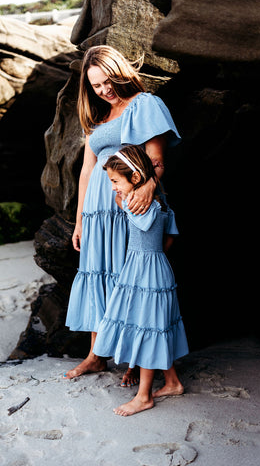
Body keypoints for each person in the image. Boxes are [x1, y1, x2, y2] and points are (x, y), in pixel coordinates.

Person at [64, 45, 181, 384]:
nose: (104, 90)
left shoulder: (144, 105)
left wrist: (145, 190)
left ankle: (132, 359)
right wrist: (80, 219)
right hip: (98, 215)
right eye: (96, 86)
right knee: (97, 273)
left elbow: (156, 160)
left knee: (125, 277)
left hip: (128, 209)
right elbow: (87, 171)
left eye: (108, 80)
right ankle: (95, 356)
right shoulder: (98, 120)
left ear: (120, 71)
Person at [93, 145, 189, 416]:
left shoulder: (138, 203)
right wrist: (154, 257)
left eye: (115, 181)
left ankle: (144, 396)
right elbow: (170, 237)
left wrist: (146, 258)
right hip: (154, 266)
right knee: (155, 326)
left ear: (135, 178)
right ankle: (172, 381)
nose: (113, 188)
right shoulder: (161, 201)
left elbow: (124, 206)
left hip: (144, 270)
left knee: (147, 328)